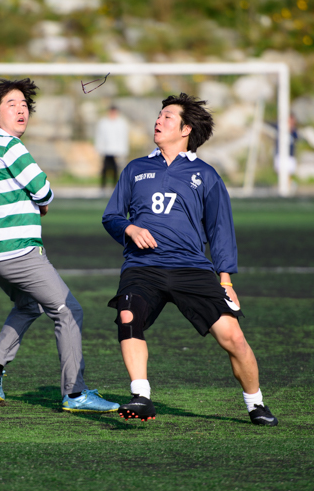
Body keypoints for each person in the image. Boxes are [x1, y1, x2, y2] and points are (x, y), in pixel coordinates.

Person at [102, 93, 278, 426]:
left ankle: (255, 403)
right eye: (159, 115)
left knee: (233, 337)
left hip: (192, 268)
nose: (158, 120)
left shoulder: (206, 175)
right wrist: (129, 228)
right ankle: (141, 397)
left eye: (167, 116)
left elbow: (220, 228)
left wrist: (225, 279)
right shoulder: (135, 168)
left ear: (186, 130)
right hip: (143, 267)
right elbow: (111, 216)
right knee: (127, 315)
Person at [0, 78, 119, 414]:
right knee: (68, 310)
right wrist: (41, 203)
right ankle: (75, 393)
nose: (22, 109)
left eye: (24, 104)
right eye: (12, 104)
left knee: (29, 305)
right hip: (20, 251)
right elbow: (43, 190)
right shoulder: (10, 146)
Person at [94, 105, 129, 189]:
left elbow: (123, 137)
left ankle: (115, 185)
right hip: (106, 149)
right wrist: (99, 148)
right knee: (105, 168)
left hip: (117, 150)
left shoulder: (121, 123)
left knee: (115, 168)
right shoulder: (103, 123)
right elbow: (100, 136)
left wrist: (123, 150)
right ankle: (103, 185)